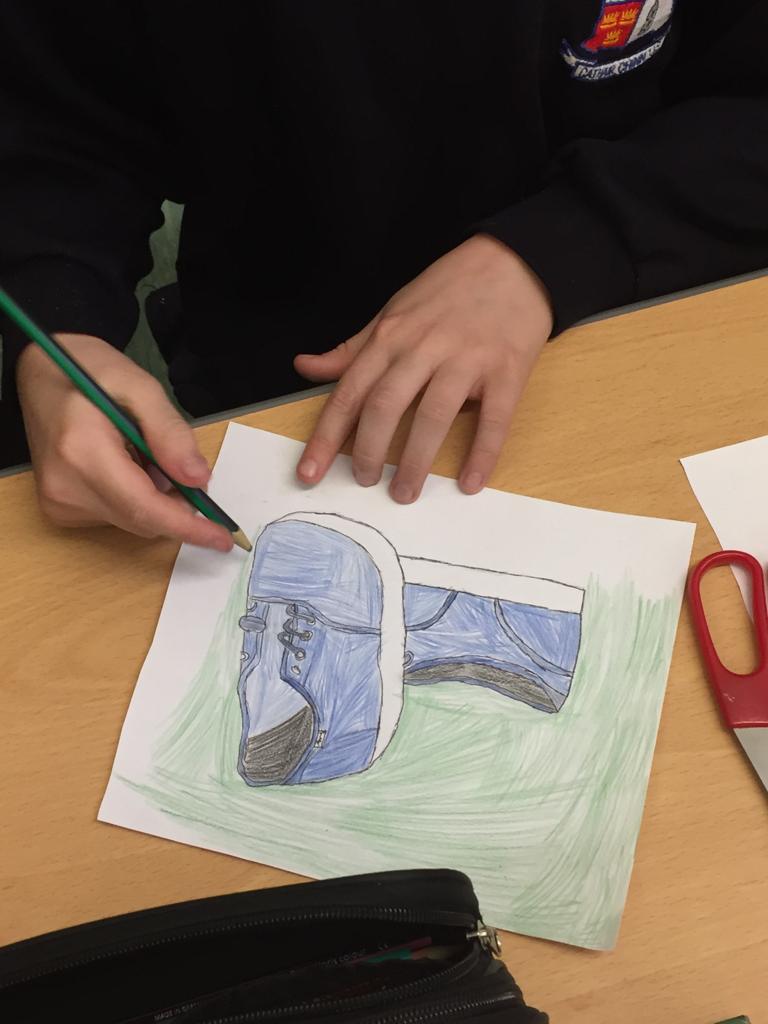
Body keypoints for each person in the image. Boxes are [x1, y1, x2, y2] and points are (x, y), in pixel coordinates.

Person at [1, 2, 766, 552]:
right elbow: (55, 129)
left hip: (642, 324)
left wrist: (557, 249)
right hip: (293, 370)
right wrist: (58, 322)